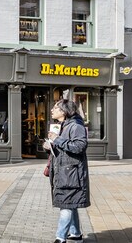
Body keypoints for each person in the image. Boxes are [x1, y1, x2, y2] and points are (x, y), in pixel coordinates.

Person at [43, 99, 88, 243]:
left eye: (55, 108)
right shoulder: (63, 126)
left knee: (66, 205)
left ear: (63, 111)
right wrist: (50, 147)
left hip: (71, 173)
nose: (52, 110)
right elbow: (63, 149)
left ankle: (60, 238)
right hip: (64, 171)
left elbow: (80, 147)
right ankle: (75, 233)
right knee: (70, 203)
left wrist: (57, 140)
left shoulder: (75, 126)